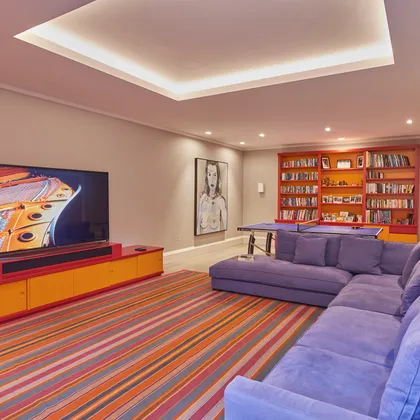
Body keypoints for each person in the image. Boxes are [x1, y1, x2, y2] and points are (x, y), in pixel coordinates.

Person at [197, 160, 227, 234]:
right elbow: (198, 221)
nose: (212, 179)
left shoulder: (220, 200)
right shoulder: (203, 199)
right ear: (207, 177)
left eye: (215, 175)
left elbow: (225, 222)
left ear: (218, 178)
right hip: (203, 234)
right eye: (209, 174)